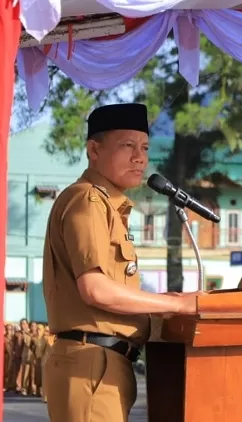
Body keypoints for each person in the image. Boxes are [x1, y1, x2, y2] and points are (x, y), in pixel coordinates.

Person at [42, 103, 201, 422]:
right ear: (94, 150)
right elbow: (96, 289)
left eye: (144, 147)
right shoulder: (87, 202)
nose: (140, 157)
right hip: (92, 364)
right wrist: (174, 304)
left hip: (104, 363)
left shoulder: (108, 207)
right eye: (127, 146)